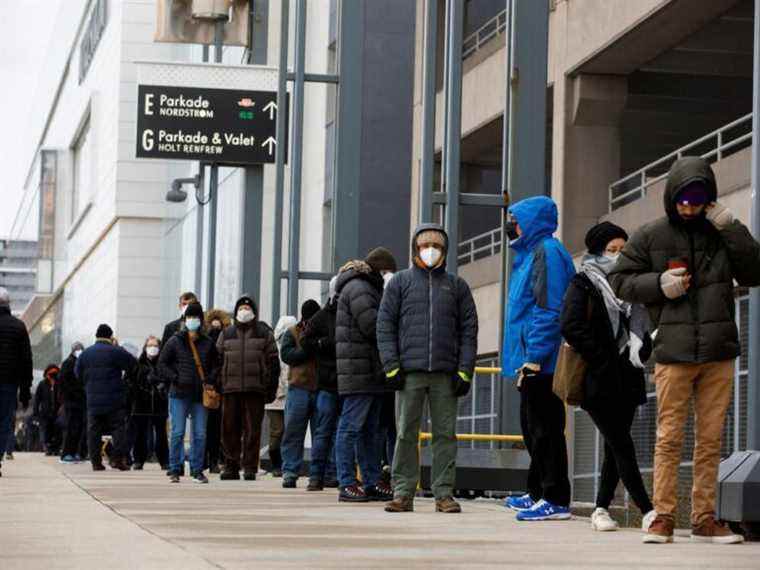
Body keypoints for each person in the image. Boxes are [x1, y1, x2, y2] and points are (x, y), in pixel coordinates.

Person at [609, 156, 760, 544]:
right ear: (671, 197)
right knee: (669, 436)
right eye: (683, 200)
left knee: (710, 440)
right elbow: (620, 280)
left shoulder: (721, 232)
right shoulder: (650, 234)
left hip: (718, 351)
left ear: (709, 197)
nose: (689, 207)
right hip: (673, 352)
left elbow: (755, 271)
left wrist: (732, 226)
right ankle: (662, 517)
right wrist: (659, 283)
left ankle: (705, 519)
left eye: (697, 199)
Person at [560, 222, 656, 532]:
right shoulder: (583, 283)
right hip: (597, 378)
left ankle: (600, 508)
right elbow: (571, 326)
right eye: (611, 250)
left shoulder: (632, 284)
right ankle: (648, 510)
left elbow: (642, 323)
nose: (617, 256)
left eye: (622, 250)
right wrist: (602, 355)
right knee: (622, 443)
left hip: (627, 376)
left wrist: (643, 346)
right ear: (597, 251)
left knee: (616, 447)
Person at [378, 224, 478, 514]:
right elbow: (385, 326)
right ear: (415, 249)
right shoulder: (399, 283)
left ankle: (444, 493)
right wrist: (391, 366)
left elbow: (468, 331)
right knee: (405, 433)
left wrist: (465, 370)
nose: (430, 250)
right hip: (409, 373)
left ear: (445, 251)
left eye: (436, 245)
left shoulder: (457, 286)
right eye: (424, 245)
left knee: (445, 435)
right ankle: (403, 492)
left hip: (446, 374)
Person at [501, 196, 575, 521]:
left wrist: (534, 356)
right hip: (529, 361)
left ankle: (555, 497)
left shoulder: (547, 253)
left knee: (546, 430)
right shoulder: (530, 254)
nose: (510, 227)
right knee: (532, 430)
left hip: (540, 361)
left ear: (530, 222)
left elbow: (549, 308)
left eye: (515, 220)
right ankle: (536, 491)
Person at [334, 248, 397, 503]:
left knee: (370, 431)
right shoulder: (360, 287)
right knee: (351, 428)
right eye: (388, 272)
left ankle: (371, 481)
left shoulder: (367, 287)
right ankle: (347, 482)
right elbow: (372, 325)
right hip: (359, 372)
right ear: (379, 270)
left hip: (369, 372)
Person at [216, 295, 279, 481]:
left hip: (255, 389)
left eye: (247, 308)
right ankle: (231, 467)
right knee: (229, 429)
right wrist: (219, 384)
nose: (244, 311)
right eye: (241, 308)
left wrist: (270, 388)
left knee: (253, 430)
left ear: (254, 311)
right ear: (236, 312)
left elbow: (273, 362)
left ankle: (250, 467)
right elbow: (217, 361)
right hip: (230, 389)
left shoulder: (264, 333)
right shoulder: (226, 334)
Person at [160, 302, 220, 484]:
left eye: (195, 317)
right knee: (177, 432)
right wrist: (175, 377)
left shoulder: (208, 343)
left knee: (200, 433)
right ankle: (175, 468)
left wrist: (210, 379)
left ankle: (197, 469)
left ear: (201, 320)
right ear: (185, 320)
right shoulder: (175, 341)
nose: (192, 320)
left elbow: (217, 364)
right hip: (178, 393)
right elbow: (162, 364)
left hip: (199, 394)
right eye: (189, 317)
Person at [280, 299, 335, 490]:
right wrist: (308, 349)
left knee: (322, 433)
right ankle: (290, 472)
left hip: (320, 387)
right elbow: (287, 355)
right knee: (294, 432)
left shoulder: (322, 329)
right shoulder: (292, 332)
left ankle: (321, 473)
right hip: (299, 388)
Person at [76, 324, 138, 471]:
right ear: (110, 336)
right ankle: (117, 460)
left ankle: (96, 463)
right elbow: (133, 365)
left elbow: (77, 373)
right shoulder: (116, 351)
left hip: (93, 400)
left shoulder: (86, 354)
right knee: (118, 430)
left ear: (96, 336)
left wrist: (88, 385)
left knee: (93, 432)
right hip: (114, 399)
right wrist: (124, 380)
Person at [302, 283, 340, 489]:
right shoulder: (321, 317)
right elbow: (306, 341)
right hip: (327, 382)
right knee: (325, 431)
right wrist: (321, 345)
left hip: (343, 381)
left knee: (337, 432)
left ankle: (335, 474)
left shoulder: (348, 314)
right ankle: (317, 475)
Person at [0, 286, 33, 477]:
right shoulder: (18, 326)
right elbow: (26, 361)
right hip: (8, 383)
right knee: (5, 421)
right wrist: (25, 390)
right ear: (9, 304)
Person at [128, 336, 169, 470]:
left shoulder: (163, 364)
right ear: (145, 348)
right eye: (150, 345)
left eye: (155, 346)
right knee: (140, 434)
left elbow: (167, 381)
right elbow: (130, 382)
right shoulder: (137, 364)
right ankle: (139, 460)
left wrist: (161, 386)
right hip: (141, 404)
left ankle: (164, 461)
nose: (153, 348)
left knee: (161, 434)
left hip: (159, 404)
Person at [267, 315, 296, 478]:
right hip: (275, 397)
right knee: (277, 430)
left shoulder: (294, 346)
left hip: (291, 395)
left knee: (289, 431)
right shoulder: (273, 348)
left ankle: (287, 464)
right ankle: (276, 463)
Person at [205, 308, 231, 473]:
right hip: (218, 387)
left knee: (209, 427)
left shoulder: (205, 341)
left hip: (212, 388)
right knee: (216, 427)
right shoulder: (225, 339)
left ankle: (210, 460)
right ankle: (215, 460)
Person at [59, 342, 87, 463]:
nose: (79, 351)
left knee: (79, 428)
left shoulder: (82, 363)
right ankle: (66, 453)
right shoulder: (68, 363)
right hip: (71, 401)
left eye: (80, 349)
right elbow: (64, 383)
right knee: (71, 427)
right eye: (77, 349)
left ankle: (74, 451)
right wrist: (75, 393)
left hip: (80, 401)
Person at [34, 364, 63, 456]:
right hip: (45, 412)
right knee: (46, 431)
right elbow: (37, 398)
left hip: (58, 412)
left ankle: (56, 448)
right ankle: (47, 447)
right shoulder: (42, 384)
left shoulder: (60, 383)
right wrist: (36, 411)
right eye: (50, 374)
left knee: (57, 430)